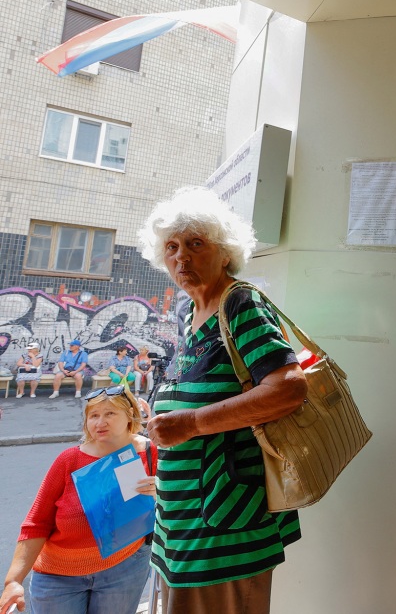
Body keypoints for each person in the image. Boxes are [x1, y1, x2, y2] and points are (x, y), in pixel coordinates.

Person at [137, 185, 307, 614]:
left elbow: (288, 388)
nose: (182, 257)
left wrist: (189, 424)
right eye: (172, 247)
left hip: (224, 530)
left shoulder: (240, 304)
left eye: (196, 244)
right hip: (183, 523)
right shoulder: (189, 312)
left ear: (225, 252)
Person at [0, 386, 157, 614]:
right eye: (93, 415)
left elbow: (174, 508)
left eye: (109, 413)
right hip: (59, 577)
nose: (99, 422)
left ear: (130, 414)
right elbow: (36, 524)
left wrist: (160, 492)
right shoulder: (69, 460)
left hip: (126, 567)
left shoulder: (151, 452)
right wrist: (13, 580)